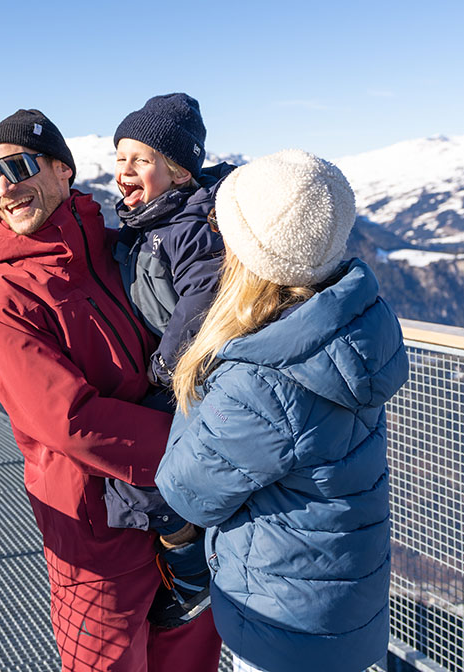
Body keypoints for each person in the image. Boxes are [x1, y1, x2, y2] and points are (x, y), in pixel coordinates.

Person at [0, 108, 221, 671]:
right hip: (97, 534)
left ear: (64, 170)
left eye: (17, 166)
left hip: (182, 508)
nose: (6, 188)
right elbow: (70, 420)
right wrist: (201, 446)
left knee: (191, 659)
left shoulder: (123, 249)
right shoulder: (5, 300)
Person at [155, 149, 409, 672]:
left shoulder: (262, 379)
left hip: (283, 624)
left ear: (252, 253)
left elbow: (186, 488)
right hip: (345, 603)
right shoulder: (351, 328)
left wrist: (196, 377)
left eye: (220, 227)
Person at [102, 93, 235, 628]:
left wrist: (164, 364)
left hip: (189, 374)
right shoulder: (149, 224)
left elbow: (202, 299)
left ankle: (191, 577)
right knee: (147, 477)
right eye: (119, 159)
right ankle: (183, 558)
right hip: (172, 369)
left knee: (152, 480)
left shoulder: (190, 227)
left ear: (179, 172)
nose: (124, 171)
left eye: (141, 159)